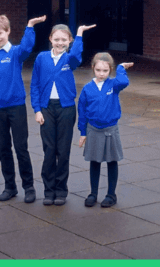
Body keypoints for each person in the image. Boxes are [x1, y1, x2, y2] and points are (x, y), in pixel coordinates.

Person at [0, 14, 47, 203]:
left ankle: (29, 187)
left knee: (21, 148)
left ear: (8, 31)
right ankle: (10, 187)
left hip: (16, 108)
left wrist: (30, 26)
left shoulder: (15, 53)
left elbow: (27, 47)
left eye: (0, 33)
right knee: (4, 149)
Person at [31, 23, 96, 206]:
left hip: (66, 108)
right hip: (46, 108)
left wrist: (80, 34)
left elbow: (76, 55)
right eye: (56, 39)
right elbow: (34, 84)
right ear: (50, 39)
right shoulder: (42, 58)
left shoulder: (69, 59)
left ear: (69, 41)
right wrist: (37, 109)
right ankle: (48, 190)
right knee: (49, 150)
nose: (60, 43)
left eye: (64, 40)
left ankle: (61, 190)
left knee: (63, 151)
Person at [77, 53, 132, 208]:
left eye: (105, 71)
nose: (101, 74)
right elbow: (82, 111)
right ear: (93, 68)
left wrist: (121, 68)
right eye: (98, 70)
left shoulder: (113, 85)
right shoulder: (87, 88)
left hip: (110, 129)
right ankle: (93, 193)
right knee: (94, 162)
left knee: (111, 162)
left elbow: (124, 81)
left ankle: (111, 195)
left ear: (110, 70)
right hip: (93, 129)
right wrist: (83, 132)